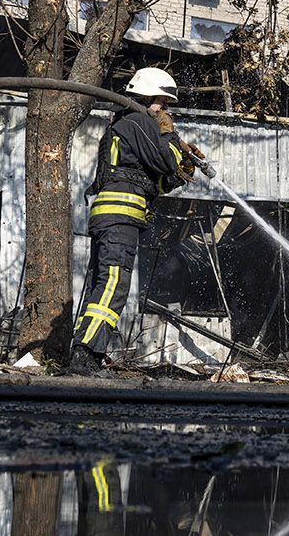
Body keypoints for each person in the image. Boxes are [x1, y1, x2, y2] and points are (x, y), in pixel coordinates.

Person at [70, 67, 202, 374]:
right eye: (163, 103)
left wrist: (180, 175)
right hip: (119, 216)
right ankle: (85, 355)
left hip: (114, 215)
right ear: (150, 97)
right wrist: (169, 134)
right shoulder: (139, 121)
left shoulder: (128, 125)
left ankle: (87, 351)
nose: (165, 110)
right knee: (113, 285)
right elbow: (165, 160)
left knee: (103, 285)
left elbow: (152, 180)